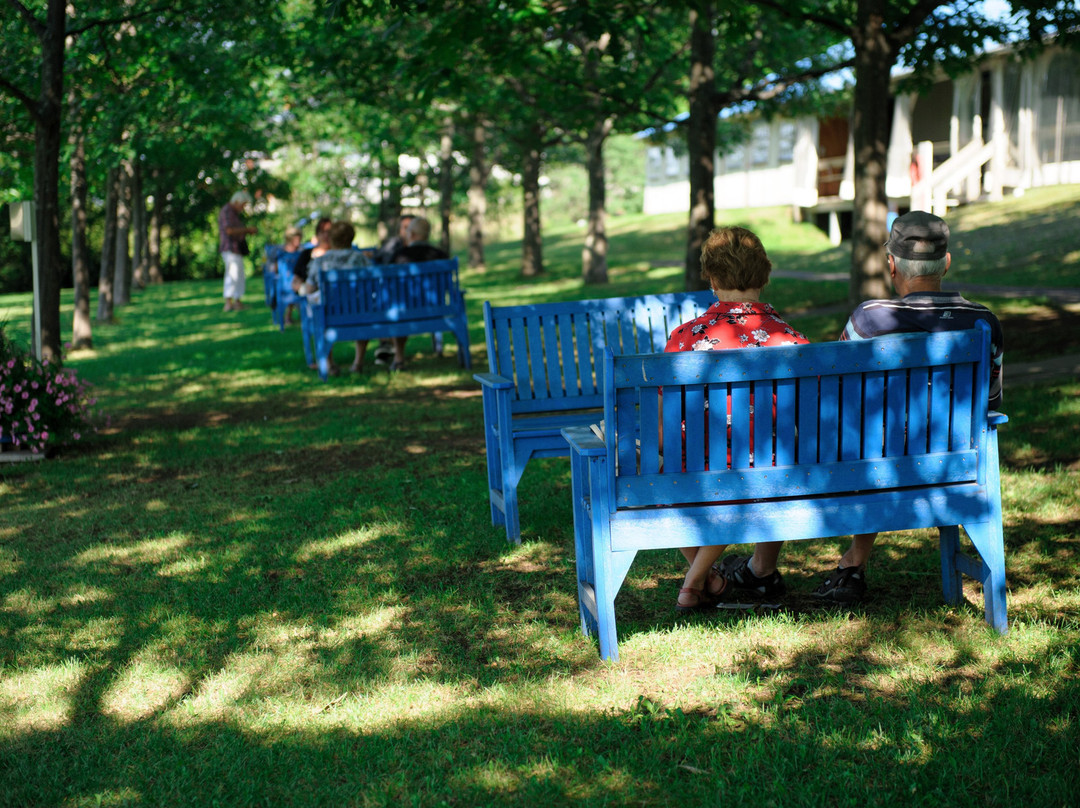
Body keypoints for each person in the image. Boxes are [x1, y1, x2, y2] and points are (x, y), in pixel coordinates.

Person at [721, 210, 1005, 605]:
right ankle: (851, 564)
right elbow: (990, 404)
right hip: (956, 466)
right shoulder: (984, 322)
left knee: (869, 433)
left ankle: (833, 566)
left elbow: (832, 392)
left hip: (874, 466)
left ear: (891, 264)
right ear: (947, 262)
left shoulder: (870, 319)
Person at [663, 226, 809, 612]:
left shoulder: (683, 339)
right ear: (764, 276)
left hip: (694, 470)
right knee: (771, 454)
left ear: (712, 280)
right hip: (774, 470)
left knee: (666, 468)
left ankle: (697, 581)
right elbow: (810, 422)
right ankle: (716, 578)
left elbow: (667, 423)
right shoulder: (793, 342)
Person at [298, 220, 370, 375]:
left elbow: (310, 289)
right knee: (362, 305)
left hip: (329, 314)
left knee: (319, 312)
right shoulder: (361, 259)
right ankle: (357, 363)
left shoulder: (320, 261)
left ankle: (330, 364)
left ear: (330, 239)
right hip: (359, 311)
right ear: (351, 238)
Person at [218, 191, 257, 312]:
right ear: (237, 202)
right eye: (243, 205)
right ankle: (228, 303)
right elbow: (229, 231)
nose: (243, 208)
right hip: (229, 248)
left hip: (236, 249)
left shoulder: (234, 213)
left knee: (238, 275)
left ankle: (237, 302)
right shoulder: (226, 211)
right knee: (232, 275)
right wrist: (246, 230)